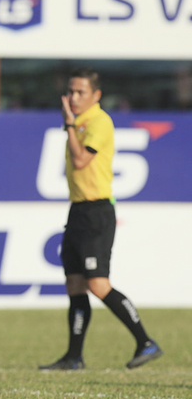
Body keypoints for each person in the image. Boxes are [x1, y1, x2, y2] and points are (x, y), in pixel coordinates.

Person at [39, 68, 163, 370]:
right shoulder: (79, 123)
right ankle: (74, 356)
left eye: (81, 92)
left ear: (96, 95)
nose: (74, 97)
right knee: (75, 283)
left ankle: (146, 341)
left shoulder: (98, 121)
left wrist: (69, 124)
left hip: (97, 211)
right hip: (78, 209)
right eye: (71, 91)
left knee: (98, 284)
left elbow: (82, 161)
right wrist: (71, 124)